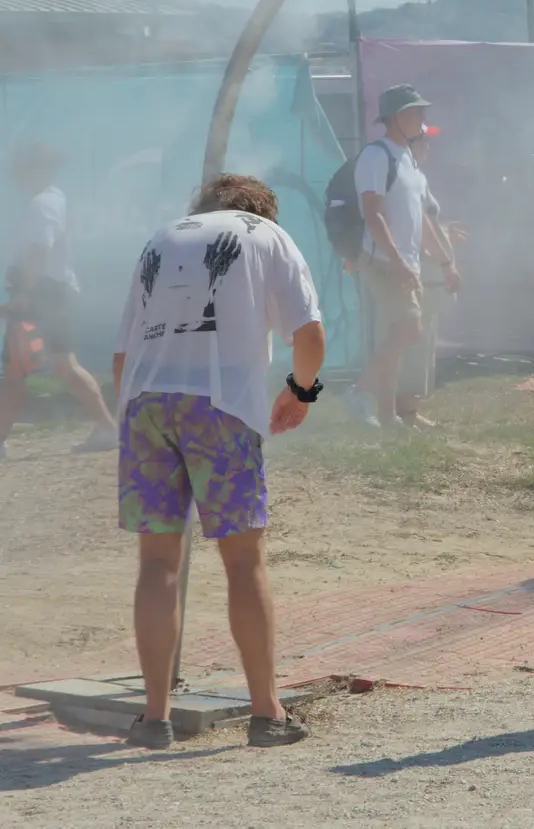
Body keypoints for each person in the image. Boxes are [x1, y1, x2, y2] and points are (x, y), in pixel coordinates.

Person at [115, 174, 325, 749]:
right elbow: (309, 334)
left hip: (144, 404)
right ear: (262, 209)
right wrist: (301, 393)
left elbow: (122, 354)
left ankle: (154, 718)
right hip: (222, 405)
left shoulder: (160, 237)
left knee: (158, 564)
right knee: (243, 562)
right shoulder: (265, 234)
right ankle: (267, 713)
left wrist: (134, 421)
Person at [0, 143, 117, 458]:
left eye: (23, 169)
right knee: (32, 367)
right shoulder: (48, 201)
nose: (16, 177)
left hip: (42, 294)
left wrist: (23, 293)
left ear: (40, 170)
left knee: (33, 367)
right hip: (46, 293)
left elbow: (40, 250)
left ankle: (107, 428)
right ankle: (106, 428)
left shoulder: (44, 203)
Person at [349, 85, 456, 429]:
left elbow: (422, 219)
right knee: (410, 328)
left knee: (396, 335)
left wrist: (444, 261)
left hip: (402, 261)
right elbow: (372, 213)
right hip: (383, 261)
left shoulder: (406, 158)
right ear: (397, 117)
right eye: (416, 112)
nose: (423, 118)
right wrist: (397, 261)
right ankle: (358, 392)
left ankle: (387, 414)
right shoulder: (376, 156)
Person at [396, 127, 462, 428]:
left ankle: (409, 407)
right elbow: (417, 227)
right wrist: (444, 259)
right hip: (425, 270)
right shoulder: (407, 177)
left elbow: (427, 224)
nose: (428, 147)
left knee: (423, 339)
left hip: (430, 268)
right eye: (423, 141)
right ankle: (406, 409)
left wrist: (446, 233)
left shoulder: (415, 176)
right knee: (416, 340)